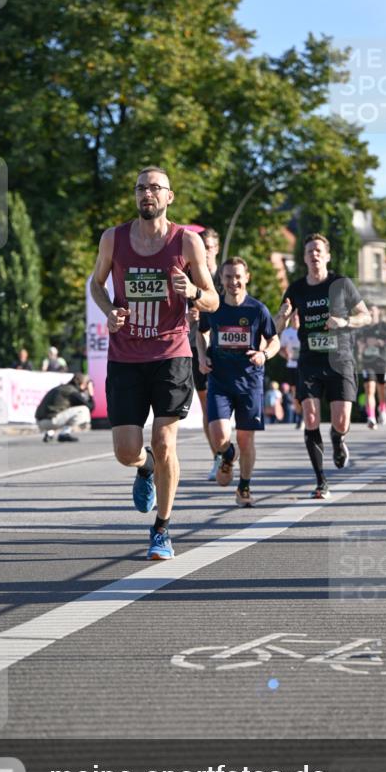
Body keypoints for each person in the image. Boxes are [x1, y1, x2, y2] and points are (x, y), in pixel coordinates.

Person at [90, 165, 218, 559]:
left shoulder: (187, 243)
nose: (148, 194)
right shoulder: (113, 238)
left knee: (165, 441)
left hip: (171, 353)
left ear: (169, 196)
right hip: (126, 356)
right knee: (126, 451)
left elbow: (213, 299)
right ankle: (143, 469)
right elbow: (96, 283)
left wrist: (194, 291)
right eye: (141, 188)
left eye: (156, 188)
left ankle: (162, 528)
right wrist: (110, 310)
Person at [275, 233, 370, 500]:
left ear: (327, 256)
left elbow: (366, 315)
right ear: (304, 258)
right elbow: (279, 323)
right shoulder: (296, 289)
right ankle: (320, 481)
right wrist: (281, 318)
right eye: (309, 251)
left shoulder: (340, 283)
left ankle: (338, 439)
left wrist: (345, 322)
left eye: (318, 250)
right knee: (311, 417)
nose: (314, 254)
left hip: (339, 359)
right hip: (310, 360)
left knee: (341, 421)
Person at [196, 256, 279, 507]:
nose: (234, 281)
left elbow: (274, 340)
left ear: (247, 278)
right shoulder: (214, 307)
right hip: (220, 380)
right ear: (221, 279)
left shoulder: (257, 310)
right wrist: (201, 355)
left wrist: (263, 355)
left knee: (246, 439)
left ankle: (244, 487)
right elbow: (200, 333)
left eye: (238, 276)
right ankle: (227, 455)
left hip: (249, 382)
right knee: (220, 435)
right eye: (229, 277)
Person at [187, 228, 223, 480]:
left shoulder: (227, 275)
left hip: (226, 348)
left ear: (217, 249)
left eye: (210, 247)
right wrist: (188, 318)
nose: (207, 251)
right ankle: (218, 457)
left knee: (225, 406)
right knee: (208, 406)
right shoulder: (190, 277)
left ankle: (229, 448)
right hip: (196, 347)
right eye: (203, 246)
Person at [356, 303, 386, 429]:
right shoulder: (362, 329)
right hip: (367, 362)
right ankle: (371, 417)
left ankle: (383, 408)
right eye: (369, 311)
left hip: (381, 361)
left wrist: (378, 342)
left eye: (373, 311)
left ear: (378, 313)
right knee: (369, 389)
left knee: (382, 389)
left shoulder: (383, 326)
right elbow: (358, 346)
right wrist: (362, 346)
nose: (370, 313)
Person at [34, 373, 94, 441]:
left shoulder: (61, 388)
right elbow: (90, 407)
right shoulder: (72, 391)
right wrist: (91, 394)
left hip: (39, 421)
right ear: (83, 384)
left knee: (63, 410)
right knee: (83, 409)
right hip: (50, 422)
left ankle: (50, 433)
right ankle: (64, 434)